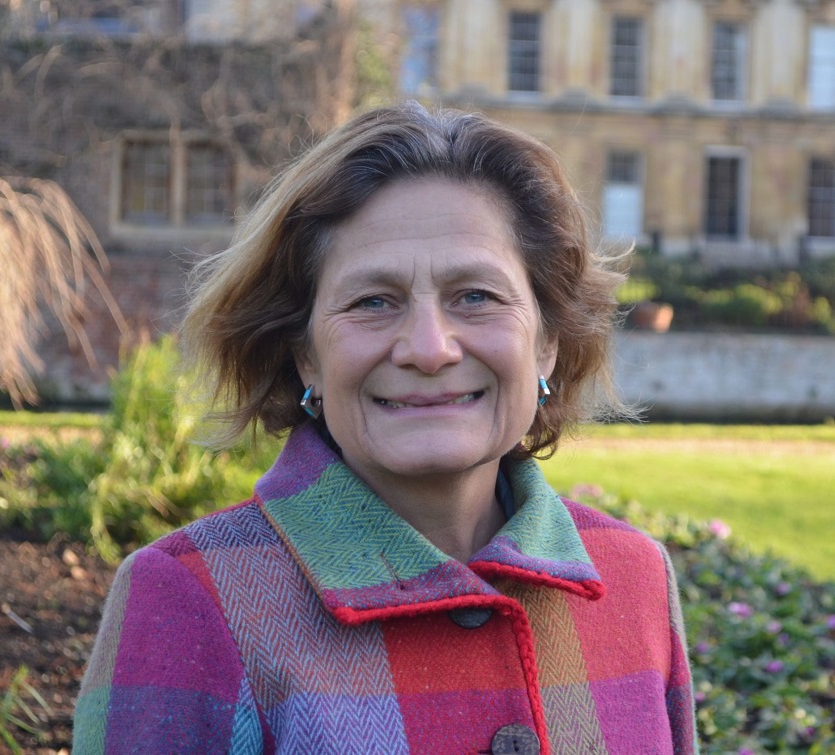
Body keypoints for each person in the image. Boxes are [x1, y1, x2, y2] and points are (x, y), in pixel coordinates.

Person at [73, 102, 698, 754]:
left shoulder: (635, 579)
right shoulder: (187, 598)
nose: (429, 349)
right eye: (373, 301)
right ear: (305, 355)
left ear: (546, 343)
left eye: (476, 296)